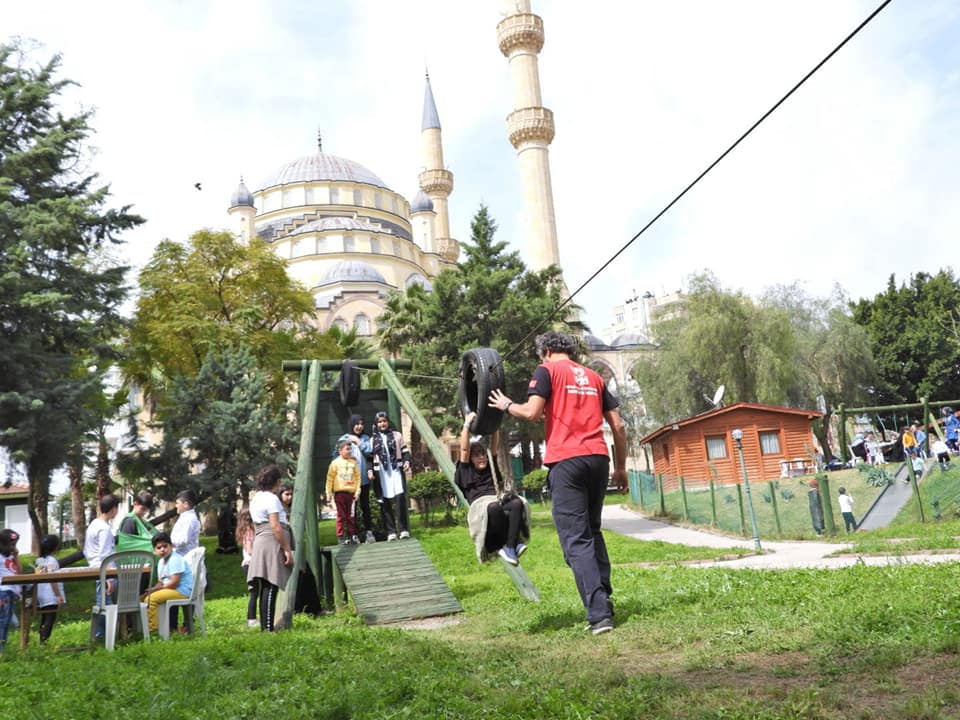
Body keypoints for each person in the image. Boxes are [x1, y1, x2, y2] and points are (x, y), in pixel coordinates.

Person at [488, 330, 626, 635]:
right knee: (592, 531)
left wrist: (506, 404)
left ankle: (600, 615)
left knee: (576, 541)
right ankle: (603, 595)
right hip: (599, 459)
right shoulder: (594, 376)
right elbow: (617, 425)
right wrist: (622, 468)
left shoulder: (547, 370)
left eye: (539, 355)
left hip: (567, 461)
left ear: (546, 350)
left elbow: (531, 412)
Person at [456, 412, 530, 565]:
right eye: (477, 455)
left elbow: (493, 446)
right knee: (494, 507)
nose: (482, 457)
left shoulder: (490, 467)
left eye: (483, 454)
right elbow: (464, 450)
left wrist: (494, 422)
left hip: (496, 499)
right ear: (471, 459)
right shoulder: (466, 471)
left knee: (517, 503)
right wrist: (467, 425)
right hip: (481, 507)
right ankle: (504, 544)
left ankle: (511, 546)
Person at [247, 464, 293, 632]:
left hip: (261, 540)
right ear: (276, 482)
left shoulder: (257, 497)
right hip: (272, 541)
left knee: (266, 585)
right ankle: (268, 628)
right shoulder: (272, 499)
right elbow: (275, 526)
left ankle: (266, 628)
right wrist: (287, 549)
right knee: (272, 584)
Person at [369, 411, 412, 541]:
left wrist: (407, 461)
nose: (382, 424)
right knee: (385, 502)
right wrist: (370, 470)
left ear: (388, 422)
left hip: (396, 470)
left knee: (400, 500)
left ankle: (403, 529)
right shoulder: (373, 440)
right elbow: (370, 459)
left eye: (384, 421)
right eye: (380, 422)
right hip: (381, 472)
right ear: (376, 424)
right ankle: (391, 531)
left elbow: (405, 451)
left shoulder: (397, 435)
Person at [142, 531, 193, 635]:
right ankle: (142, 628)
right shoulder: (161, 562)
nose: (162, 550)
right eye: (159, 548)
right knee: (143, 597)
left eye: (165, 546)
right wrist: (152, 589)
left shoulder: (175, 559)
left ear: (171, 546)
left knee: (150, 599)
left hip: (182, 591)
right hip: (171, 590)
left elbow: (174, 582)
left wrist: (156, 590)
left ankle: (153, 630)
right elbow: (161, 581)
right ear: (154, 550)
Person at [84, 493, 119, 638]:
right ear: (113, 509)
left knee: (103, 602)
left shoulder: (94, 524)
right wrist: (109, 578)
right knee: (106, 604)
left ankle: (102, 635)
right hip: (104, 570)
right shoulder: (104, 529)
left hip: (95, 567)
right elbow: (105, 554)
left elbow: (86, 550)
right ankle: (102, 635)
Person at [337, 414, 376, 543]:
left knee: (366, 507)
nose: (359, 426)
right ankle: (352, 535)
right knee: (351, 509)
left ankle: (369, 533)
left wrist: (358, 442)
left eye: (361, 424)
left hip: (363, 480)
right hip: (349, 482)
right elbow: (336, 456)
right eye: (356, 424)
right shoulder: (344, 439)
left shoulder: (365, 438)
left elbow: (370, 452)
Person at [327, 440, 362, 544]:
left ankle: (352, 535)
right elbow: (330, 479)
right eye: (347, 449)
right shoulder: (335, 463)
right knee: (341, 516)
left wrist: (357, 492)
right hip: (340, 494)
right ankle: (341, 536)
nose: (349, 451)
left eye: (350, 449)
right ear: (340, 450)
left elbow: (357, 478)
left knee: (350, 516)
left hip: (351, 494)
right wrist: (328, 493)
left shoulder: (353, 462)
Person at [35, 534, 65, 644]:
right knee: (49, 619)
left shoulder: (39, 560)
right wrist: (58, 595)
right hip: (50, 594)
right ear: (55, 547)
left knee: (44, 617)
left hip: (41, 593)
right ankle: (44, 641)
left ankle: (42, 640)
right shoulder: (52, 561)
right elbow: (52, 578)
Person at [236, 508, 258, 627]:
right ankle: (251, 618)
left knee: (254, 592)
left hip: (247, 564)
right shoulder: (249, 531)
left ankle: (252, 618)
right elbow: (250, 550)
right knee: (254, 592)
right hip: (251, 564)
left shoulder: (243, 530)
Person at [0, 529, 21, 653]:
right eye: (12, 544)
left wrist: (16, 556)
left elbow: (19, 572)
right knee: (2, 621)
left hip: (10, 591)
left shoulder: (11, 557)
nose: (14, 547)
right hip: (3, 591)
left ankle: (2, 646)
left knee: (6, 621)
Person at [170, 489, 200, 556]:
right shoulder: (185, 517)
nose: (176, 506)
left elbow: (183, 540)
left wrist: (167, 542)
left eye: (177, 503)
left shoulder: (189, 519)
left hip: (184, 557)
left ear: (185, 504)